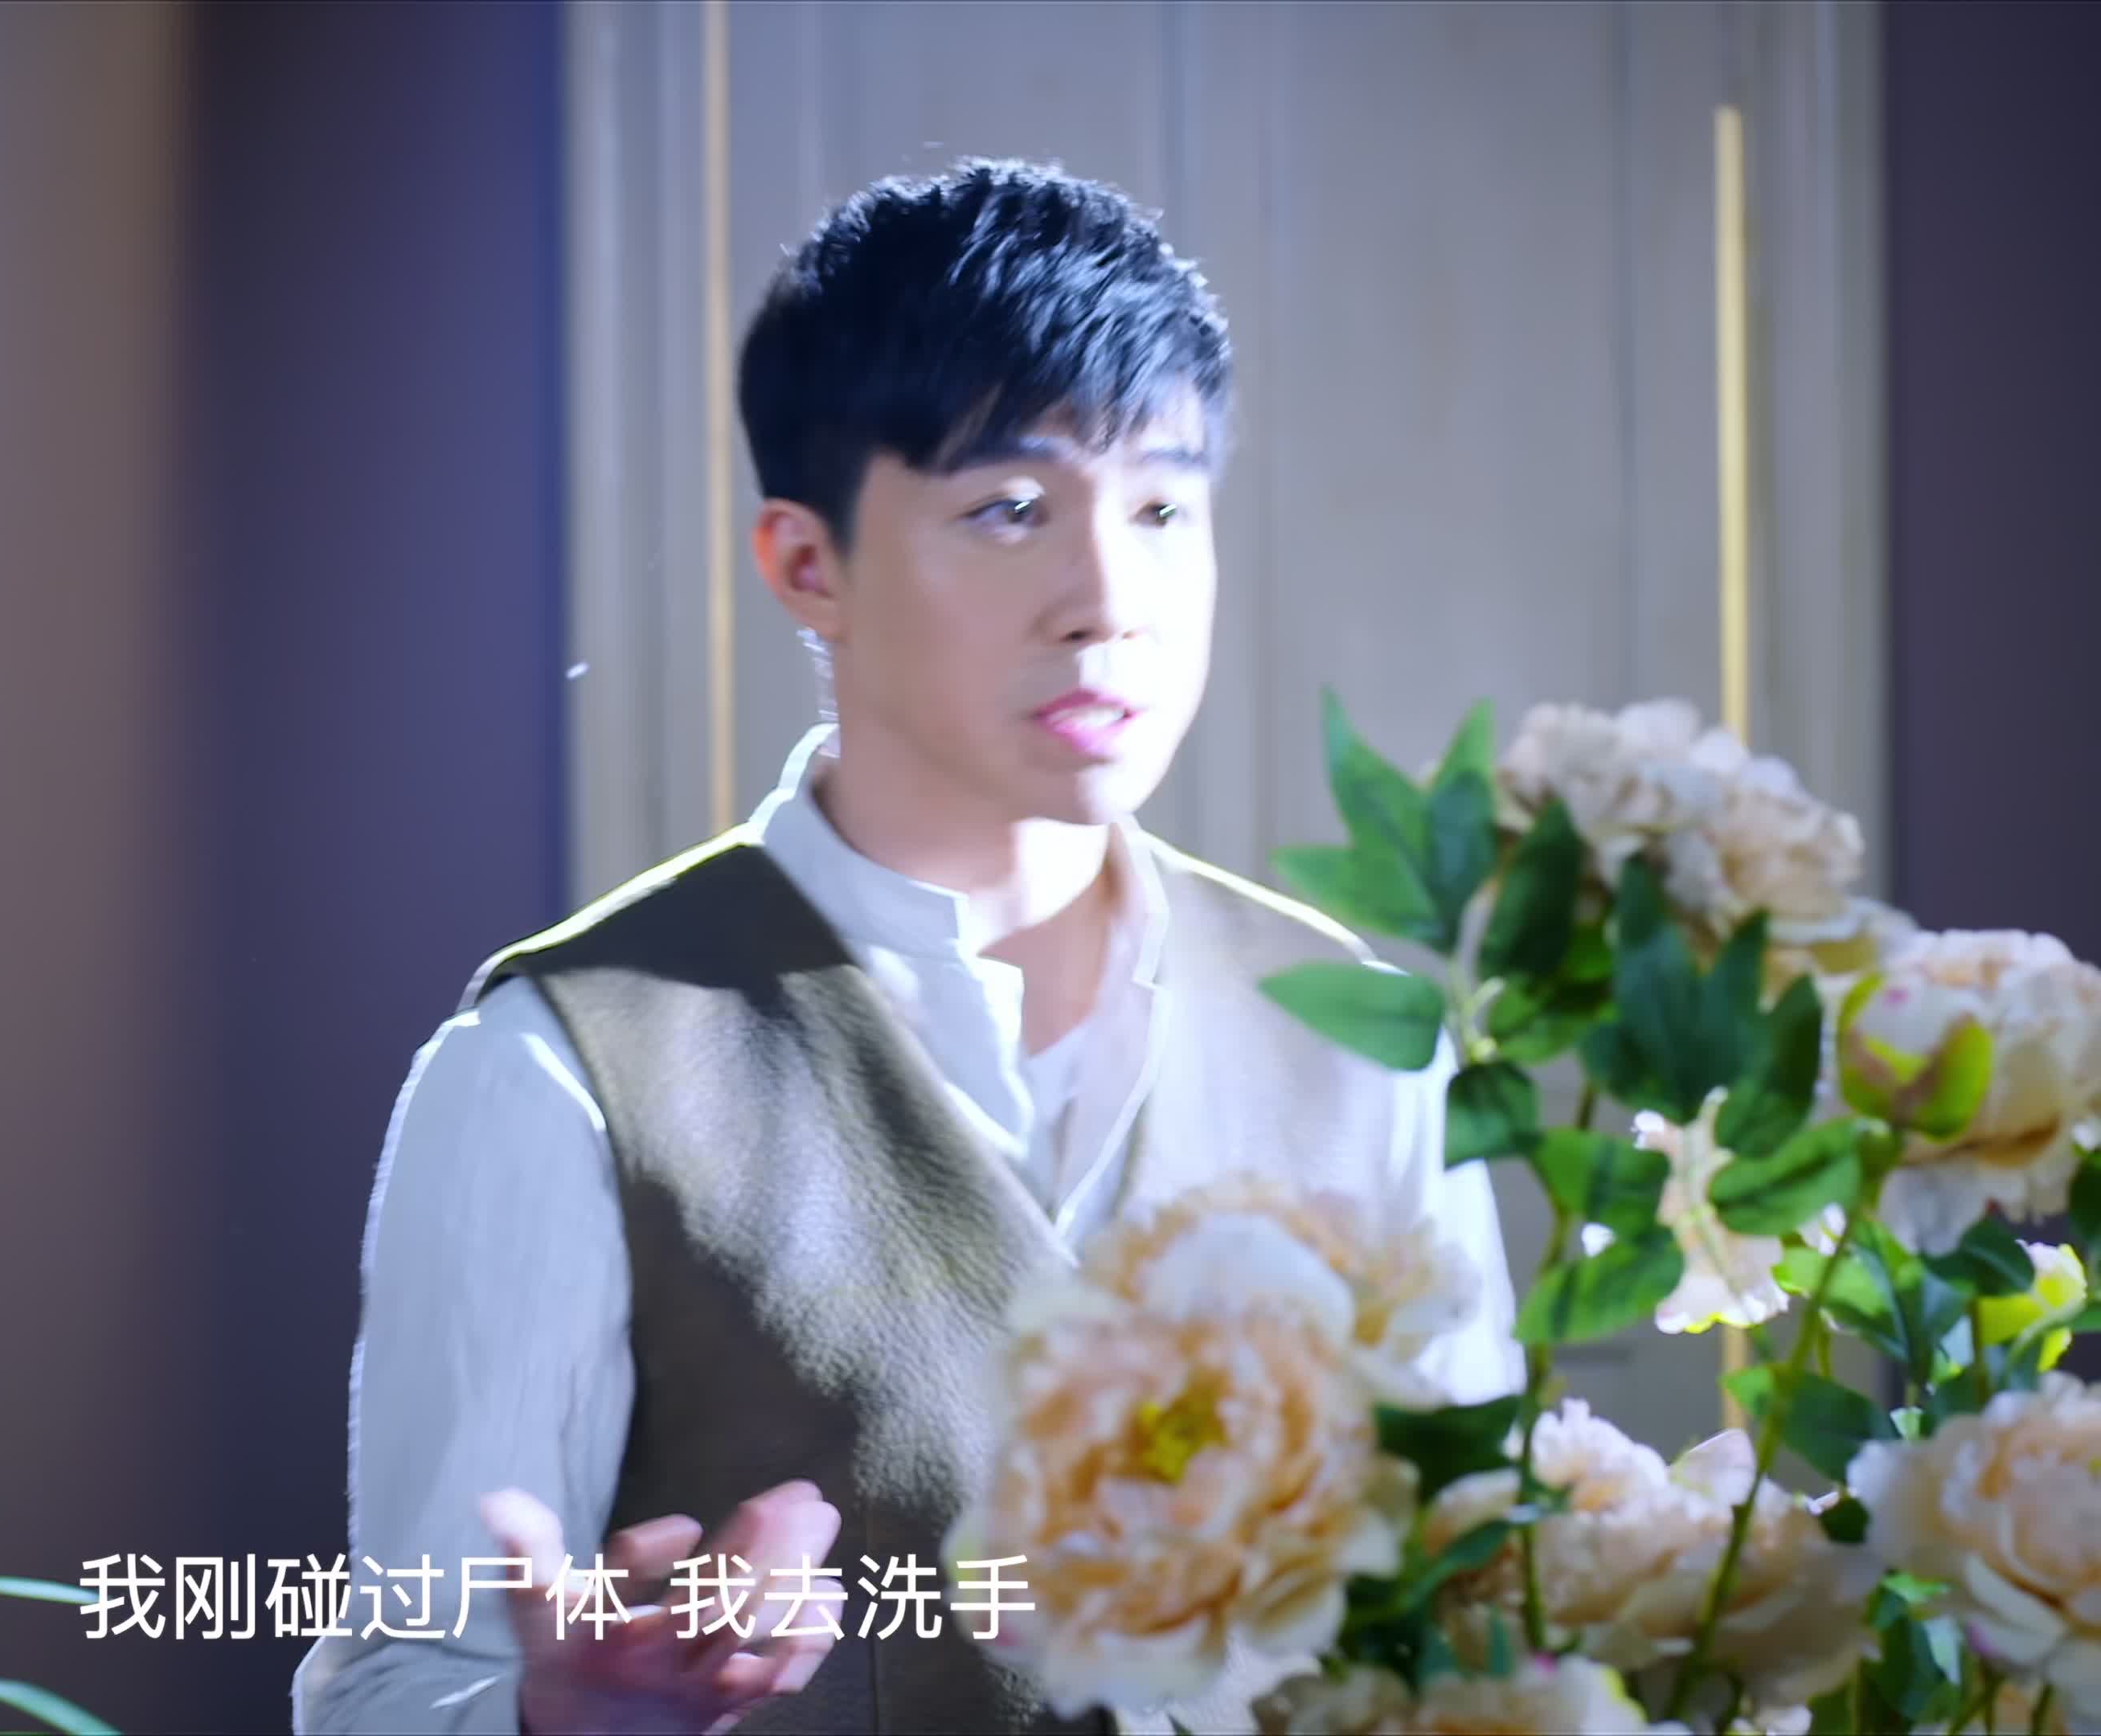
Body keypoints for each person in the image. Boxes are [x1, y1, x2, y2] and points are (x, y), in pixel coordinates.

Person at [293, 160, 1521, 1736]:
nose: (1107, 601)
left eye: (1161, 509)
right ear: (808, 565)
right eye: (1009, 511)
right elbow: (398, 1689)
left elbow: (1487, 1621)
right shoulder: (562, 1070)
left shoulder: (1360, 1041)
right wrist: (554, 1720)